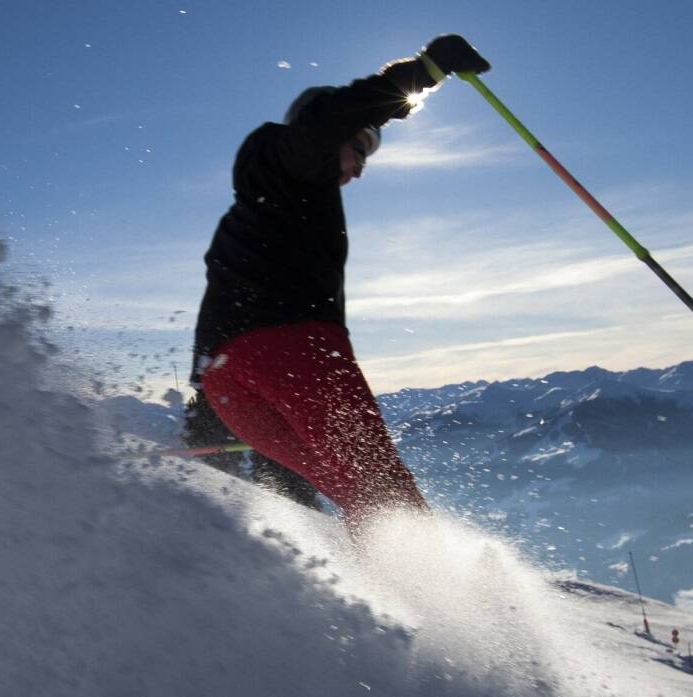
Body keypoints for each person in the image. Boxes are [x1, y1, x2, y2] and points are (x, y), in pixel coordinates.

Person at [191, 35, 491, 531]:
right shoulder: (296, 156)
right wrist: (427, 71)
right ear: (336, 136)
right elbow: (327, 119)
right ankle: (453, 606)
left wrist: (203, 404)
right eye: (360, 149)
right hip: (294, 348)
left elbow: (217, 303)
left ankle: (381, 599)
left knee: (361, 499)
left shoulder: (246, 216)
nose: (360, 169)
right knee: (385, 494)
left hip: (227, 380)